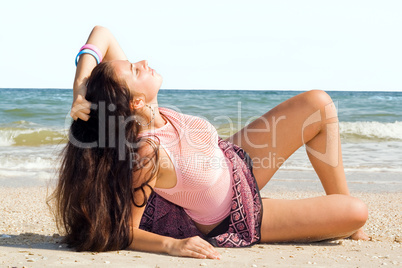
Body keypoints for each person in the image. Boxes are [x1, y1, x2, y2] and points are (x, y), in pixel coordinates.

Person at [52, 26, 369, 259]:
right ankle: (344, 220)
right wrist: (173, 245)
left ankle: (343, 213)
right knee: (357, 211)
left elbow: (101, 34)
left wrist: (80, 86)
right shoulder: (146, 150)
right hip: (235, 214)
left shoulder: (146, 108)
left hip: (235, 162)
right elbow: (125, 230)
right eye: (136, 69)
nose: (144, 61)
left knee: (319, 104)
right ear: (134, 102)